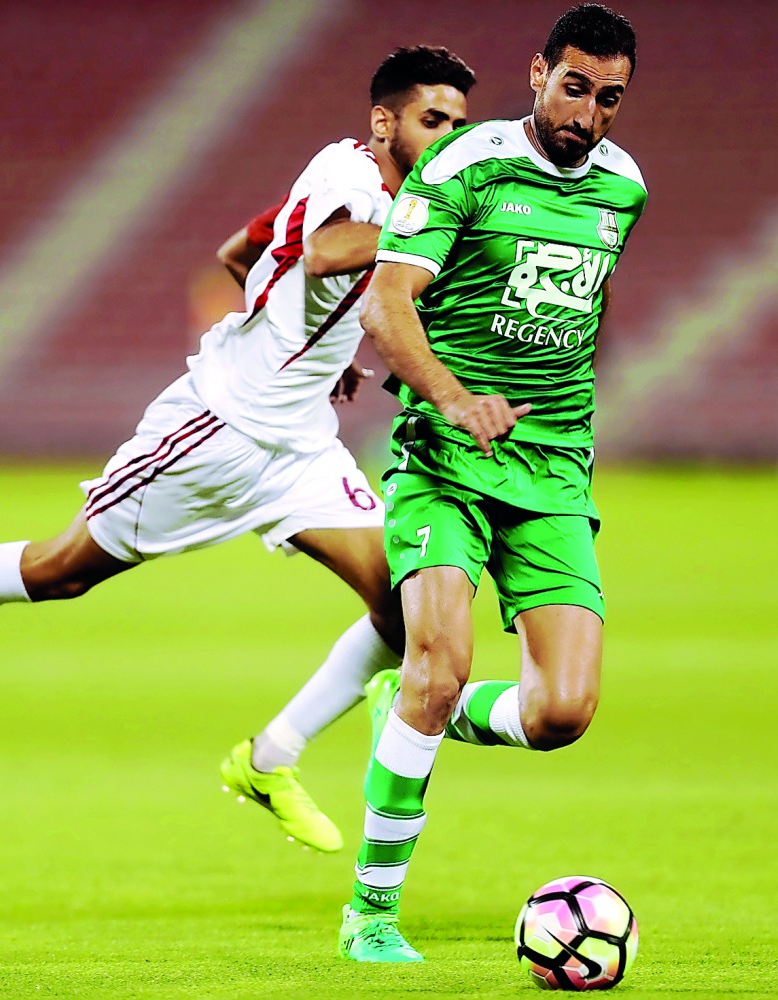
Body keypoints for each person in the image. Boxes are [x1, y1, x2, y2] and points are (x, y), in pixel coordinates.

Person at [0, 46, 477, 856]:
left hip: (299, 447)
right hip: (214, 431)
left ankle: (268, 759)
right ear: (385, 123)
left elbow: (244, 250)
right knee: (62, 571)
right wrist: (423, 236)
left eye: (457, 125)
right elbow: (325, 252)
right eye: (431, 120)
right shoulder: (358, 186)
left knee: (402, 609)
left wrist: (318, 354)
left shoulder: (362, 178)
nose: (446, 137)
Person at [336, 4, 647, 963]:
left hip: (551, 468)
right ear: (537, 72)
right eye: (572, 87)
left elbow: (564, 317)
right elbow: (389, 302)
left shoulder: (624, 188)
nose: (587, 113)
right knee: (439, 660)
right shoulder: (464, 166)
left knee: (562, 713)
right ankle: (371, 913)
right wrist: (451, 395)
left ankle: (412, 707)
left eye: (608, 98)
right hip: (443, 454)